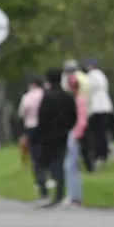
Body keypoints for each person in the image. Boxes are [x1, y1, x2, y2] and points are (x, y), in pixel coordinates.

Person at [35, 69, 77, 207]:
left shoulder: (47, 97)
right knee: (60, 161)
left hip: (48, 134)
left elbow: (42, 116)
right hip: (62, 133)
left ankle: (45, 190)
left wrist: (41, 132)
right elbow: (73, 116)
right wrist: (67, 127)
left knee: (43, 162)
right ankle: (59, 192)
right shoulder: (67, 97)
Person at [17, 76, 47, 199]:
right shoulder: (45, 95)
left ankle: (41, 185)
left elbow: (21, 113)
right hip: (45, 128)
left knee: (35, 157)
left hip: (31, 128)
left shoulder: (27, 97)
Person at [62, 59, 94, 172]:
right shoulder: (84, 78)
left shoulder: (77, 97)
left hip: (78, 120)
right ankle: (89, 166)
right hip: (86, 113)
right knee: (86, 145)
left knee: (80, 145)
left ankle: (84, 166)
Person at [63, 73, 88, 207]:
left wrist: (76, 134)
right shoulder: (73, 99)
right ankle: (73, 194)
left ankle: (74, 196)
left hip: (75, 134)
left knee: (70, 165)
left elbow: (82, 120)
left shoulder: (80, 100)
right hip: (71, 132)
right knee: (71, 166)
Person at [85, 59, 114, 167]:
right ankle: (105, 152)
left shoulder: (91, 75)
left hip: (96, 107)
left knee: (97, 133)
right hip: (105, 106)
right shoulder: (101, 75)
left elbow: (89, 88)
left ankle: (100, 154)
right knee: (102, 132)